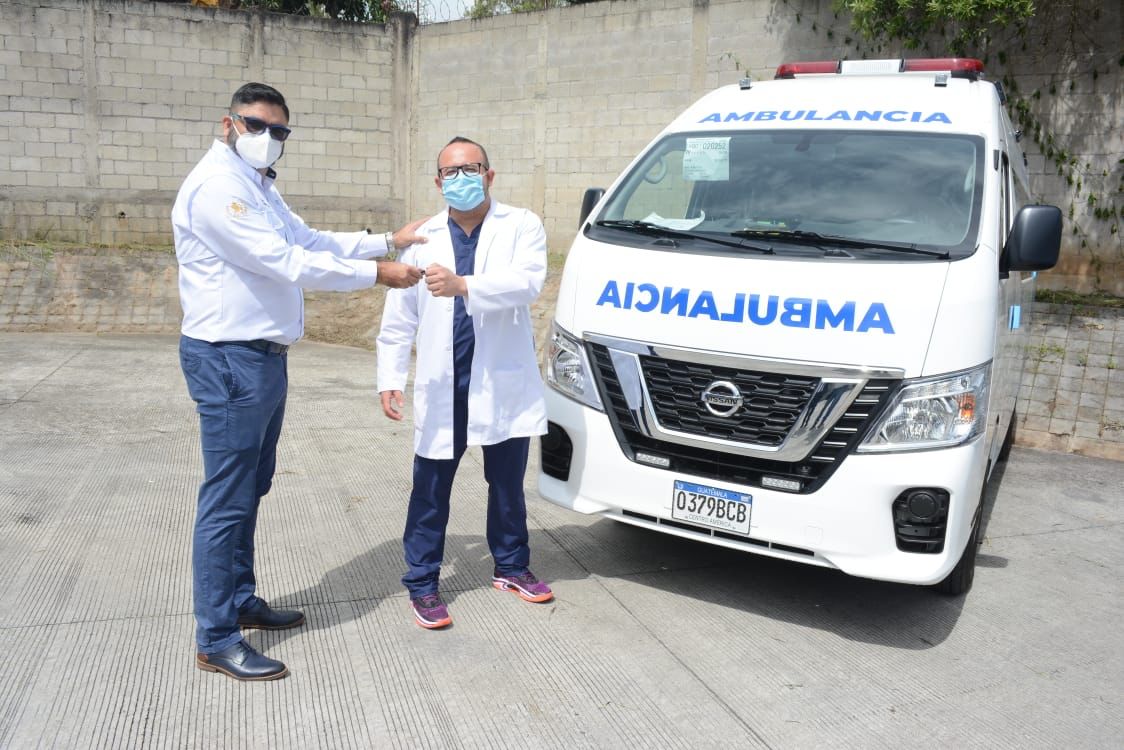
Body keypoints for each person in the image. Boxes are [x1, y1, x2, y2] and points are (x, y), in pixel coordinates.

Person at [173, 82, 425, 681]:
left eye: (278, 131)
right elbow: (286, 261)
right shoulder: (217, 188)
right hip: (229, 359)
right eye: (255, 125)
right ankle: (216, 637)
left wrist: (388, 241)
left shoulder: (256, 185)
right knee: (227, 500)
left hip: (261, 358)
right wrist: (378, 274)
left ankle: (240, 600)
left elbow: (307, 239)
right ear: (229, 124)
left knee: (250, 488)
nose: (267, 138)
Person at [377, 136, 553, 630]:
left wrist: (463, 286)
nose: (460, 179)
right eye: (450, 173)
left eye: (470, 169)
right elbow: (399, 317)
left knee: (507, 483)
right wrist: (390, 376)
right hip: (444, 380)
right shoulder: (422, 236)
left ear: (489, 175)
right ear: (438, 182)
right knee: (431, 486)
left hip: (500, 379)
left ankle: (511, 566)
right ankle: (422, 582)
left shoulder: (521, 224)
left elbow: (528, 282)